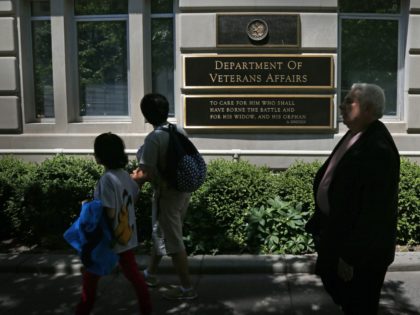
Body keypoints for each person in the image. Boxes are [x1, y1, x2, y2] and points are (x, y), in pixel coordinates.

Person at [305, 83, 400, 315]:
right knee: (346, 301)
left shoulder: (377, 148)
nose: (342, 105)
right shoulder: (355, 134)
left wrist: (349, 257)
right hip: (337, 238)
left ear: (368, 109)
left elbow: (373, 213)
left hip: (360, 254)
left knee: (359, 306)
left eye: (349, 101)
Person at [75, 132, 152, 315]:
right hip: (125, 235)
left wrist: (90, 208)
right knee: (133, 274)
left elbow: (108, 210)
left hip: (108, 238)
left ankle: (82, 310)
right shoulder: (124, 175)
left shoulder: (107, 179)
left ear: (100, 156)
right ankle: (146, 309)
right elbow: (133, 196)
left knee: (90, 278)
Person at [131, 93, 197, 300]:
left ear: (146, 116)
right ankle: (150, 274)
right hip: (182, 191)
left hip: (167, 195)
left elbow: (144, 172)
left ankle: (188, 288)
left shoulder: (154, 138)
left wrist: (125, 189)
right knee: (160, 233)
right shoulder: (177, 129)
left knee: (174, 241)